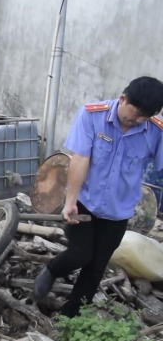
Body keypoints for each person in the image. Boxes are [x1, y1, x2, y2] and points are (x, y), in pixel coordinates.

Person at [33, 76, 163, 317]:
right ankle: (52, 269)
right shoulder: (92, 116)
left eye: (143, 117)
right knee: (80, 254)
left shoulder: (155, 131)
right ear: (123, 98)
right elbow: (80, 159)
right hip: (85, 202)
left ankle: (70, 317)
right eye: (134, 113)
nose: (136, 120)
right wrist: (70, 201)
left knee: (95, 267)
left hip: (118, 212)